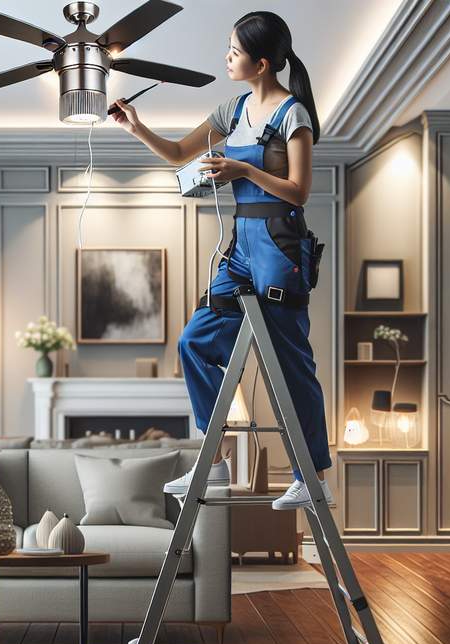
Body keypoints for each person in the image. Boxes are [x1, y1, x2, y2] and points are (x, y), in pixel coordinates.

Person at [111, 11, 331, 510]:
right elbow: (177, 154)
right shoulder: (231, 110)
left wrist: (241, 170)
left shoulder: (293, 114)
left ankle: (312, 477)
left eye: (234, 51)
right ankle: (214, 460)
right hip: (241, 248)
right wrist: (136, 127)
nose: (226, 58)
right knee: (194, 341)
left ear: (262, 63)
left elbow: (299, 192)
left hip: (279, 245)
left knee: (288, 365)